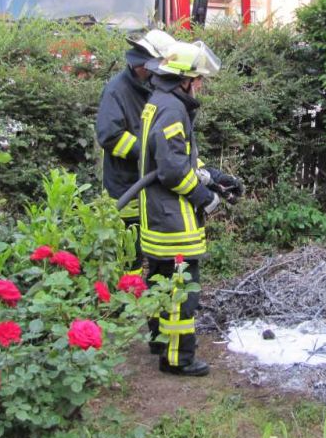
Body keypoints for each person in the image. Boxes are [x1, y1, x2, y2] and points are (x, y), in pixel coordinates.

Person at [138, 39, 242, 377]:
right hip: (173, 219)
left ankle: (159, 342)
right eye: (197, 79)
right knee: (183, 291)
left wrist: (213, 177)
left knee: (161, 281)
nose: (200, 85)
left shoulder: (161, 100)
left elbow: (177, 158)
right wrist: (205, 198)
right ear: (182, 78)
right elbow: (171, 170)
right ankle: (179, 359)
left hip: (156, 214)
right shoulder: (172, 109)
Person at [94, 29, 175, 275]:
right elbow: (110, 135)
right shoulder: (117, 90)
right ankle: (129, 301)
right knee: (130, 254)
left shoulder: (150, 87)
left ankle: (147, 296)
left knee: (155, 248)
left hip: (149, 186)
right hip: (125, 187)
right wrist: (149, 151)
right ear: (145, 65)